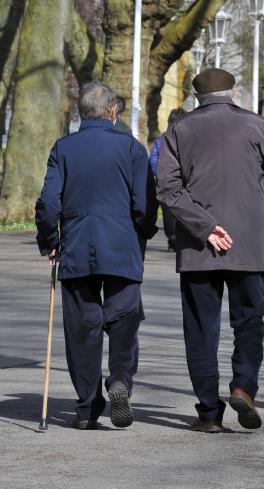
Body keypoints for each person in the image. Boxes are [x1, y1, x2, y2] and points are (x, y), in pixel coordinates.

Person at [157, 68, 264, 433]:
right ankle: (243, 387)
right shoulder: (257, 126)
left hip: (198, 248)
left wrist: (205, 228)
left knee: (201, 329)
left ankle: (208, 412)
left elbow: (168, 189)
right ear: (231, 92)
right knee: (249, 321)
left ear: (197, 97)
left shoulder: (179, 130)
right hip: (247, 243)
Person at [35, 81, 158, 430]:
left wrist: (51, 240)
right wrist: (144, 231)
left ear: (82, 112)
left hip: (77, 246)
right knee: (123, 321)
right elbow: (144, 204)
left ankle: (88, 407)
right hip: (122, 246)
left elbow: (48, 203)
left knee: (82, 329)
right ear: (112, 110)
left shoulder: (63, 148)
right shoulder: (132, 149)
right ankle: (119, 379)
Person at [149, 108, 186, 251]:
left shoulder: (161, 140)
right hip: (178, 183)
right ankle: (174, 239)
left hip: (166, 183)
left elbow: (153, 161)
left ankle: (173, 239)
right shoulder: (187, 139)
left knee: (169, 214)